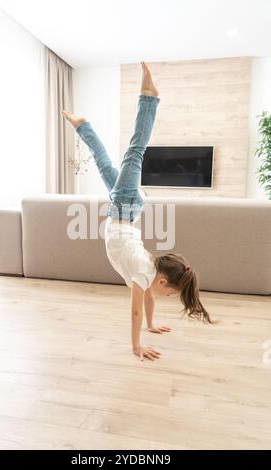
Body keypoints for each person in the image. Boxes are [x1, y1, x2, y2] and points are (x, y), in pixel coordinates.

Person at [62, 62, 212, 362]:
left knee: (105, 166)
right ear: (162, 281)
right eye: (169, 294)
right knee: (136, 150)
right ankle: (149, 98)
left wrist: (152, 325)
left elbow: (145, 302)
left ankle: (83, 126)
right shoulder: (144, 275)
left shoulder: (146, 276)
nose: (164, 297)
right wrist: (136, 346)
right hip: (125, 207)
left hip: (126, 209)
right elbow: (134, 309)